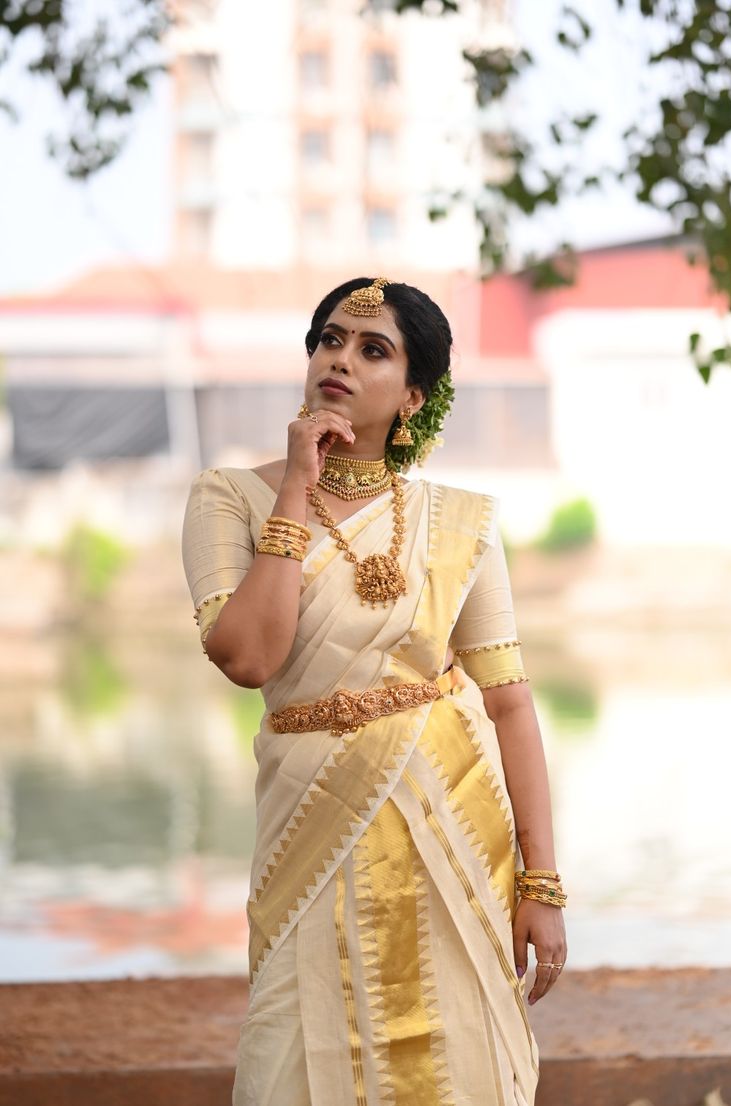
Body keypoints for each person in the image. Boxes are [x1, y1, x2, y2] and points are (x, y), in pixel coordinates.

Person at [181, 276, 567, 1106]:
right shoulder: (230, 498)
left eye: (372, 349)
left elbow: (508, 703)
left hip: (453, 833)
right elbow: (249, 657)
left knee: (460, 1059)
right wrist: (294, 486)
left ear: (413, 396)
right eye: (327, 340)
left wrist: (542, 884)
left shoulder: (456, 522)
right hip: (310, 828)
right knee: (289, 1052)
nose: (339, 360)